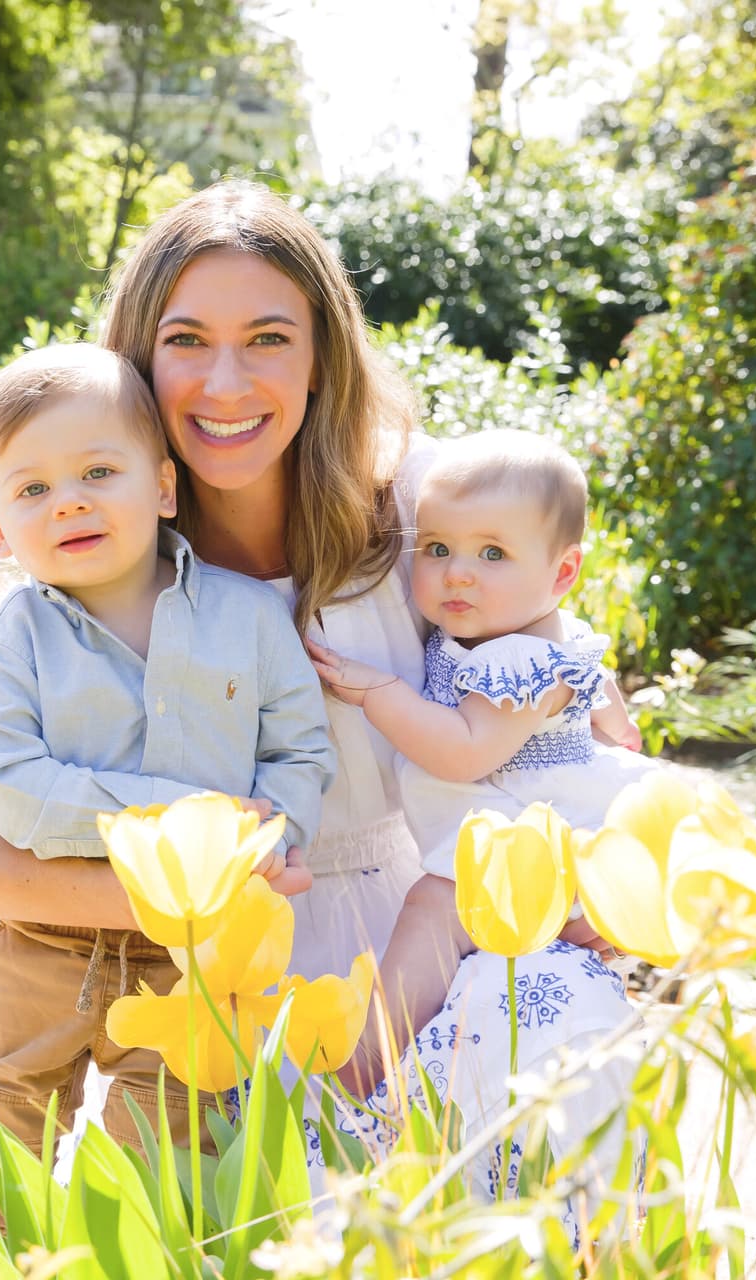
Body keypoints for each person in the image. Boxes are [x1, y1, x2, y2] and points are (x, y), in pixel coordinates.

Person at [0, 180, 632, 1199]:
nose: (226, 382)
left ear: (323, 358)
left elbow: (572, 669)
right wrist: (182, 896)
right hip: (218, 970)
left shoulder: (421, 509)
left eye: (269, 337)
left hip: (424, 931)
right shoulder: (103, 559)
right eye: (187, 339)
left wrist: (614, 858)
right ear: (138, 363)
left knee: (545, 1044)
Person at [0, 342, 334, 1214]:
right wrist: (191, 824)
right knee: (7, 1134)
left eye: (96, 471)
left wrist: (274, 831)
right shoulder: (10, 641)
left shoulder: (249, 619)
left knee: (161, 1155)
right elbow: (12, 788)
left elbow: (300, 751)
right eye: (33, 489)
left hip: (194, 958)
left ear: (162, 488)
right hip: (43, 939)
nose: (69, 500)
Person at [307, 430, 655, 1207]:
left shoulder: (519, 660)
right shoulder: (495, 632)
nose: (458, 572)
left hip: (524, 841)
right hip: (506, 836)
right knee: (441, 908)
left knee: (435, 905)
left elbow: (463, 752)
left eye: (493, 554)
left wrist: (374, 690)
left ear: (562, 572)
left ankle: (365, 1068)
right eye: (435, 548)